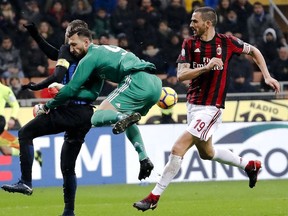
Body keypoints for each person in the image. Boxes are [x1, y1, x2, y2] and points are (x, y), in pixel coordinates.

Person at [133, 6, 280, 212]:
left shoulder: (227, 42)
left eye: (195, 21)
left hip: (212, 108)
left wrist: (266, 75)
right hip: (193, 105)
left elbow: (254, 51)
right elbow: (182, 74)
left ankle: (154, 196)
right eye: (192, 21)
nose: (191, 25)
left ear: (208, 23)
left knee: (178, 149)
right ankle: (250, 165)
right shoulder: (189, 44)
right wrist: (206, 66)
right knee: (207, 153)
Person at [1, 20, 103, 216]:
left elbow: (58, 72)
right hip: (84, 116)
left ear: (82, 39)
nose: (68, 43)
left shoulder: (69, 51)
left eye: (70, 38)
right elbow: (52, 53)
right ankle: (69, 211)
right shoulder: (92, 56)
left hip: (69, 111)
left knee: (25, 133)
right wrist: (35, 34)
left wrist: (39, 89)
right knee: (67, 166)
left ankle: (26, 182)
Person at [38, 26, 163, 181]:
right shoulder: (103, 52)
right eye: (70, 45)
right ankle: (143, 158)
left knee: (96, 117)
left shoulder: (89, 58)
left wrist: (46, 106)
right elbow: (92, 93)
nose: (71, 49)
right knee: (127, 120)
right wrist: (65, 90)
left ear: (86, 42)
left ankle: (120, 117)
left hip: (135, 80)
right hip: (155, 84)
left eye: (74, 44)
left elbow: (71, 90)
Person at [0, 82, 41, 164]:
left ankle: (30, 151)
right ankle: (32, 152)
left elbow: (15, 105)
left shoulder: (4, 89)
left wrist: (12, 118)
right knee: (5, 150)